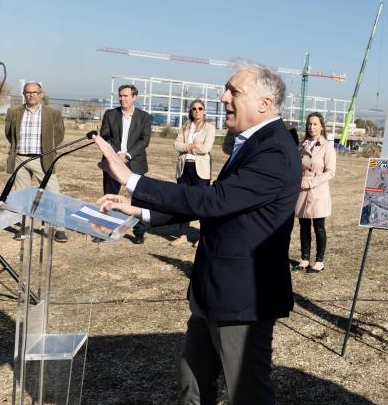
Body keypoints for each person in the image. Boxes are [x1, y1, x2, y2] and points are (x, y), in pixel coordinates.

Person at [95, 60, 301, 404]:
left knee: (247, 393)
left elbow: (214, 200)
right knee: (191, 384)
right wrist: (138, 208)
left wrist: (131, 179)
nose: (222, 97)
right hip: (215, 291)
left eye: (234, 91)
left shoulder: (275, 150)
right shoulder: (252, 142)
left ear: (264, 103)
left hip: (243, 299)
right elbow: (219, 204)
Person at [4, 81, 68, 242]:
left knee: (54, 193)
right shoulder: (14, 112)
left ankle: (59, 228)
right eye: (28, 92)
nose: (31, 95)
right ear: (24, 94)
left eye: (34, 92)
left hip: (43, 158)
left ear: (41, 94)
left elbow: (59, 135)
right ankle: (25, 227)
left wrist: (47, 148)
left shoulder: (52, 113)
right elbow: (9, 134)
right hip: (20, 159)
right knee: (22, 196)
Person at [99, 84, 152, 244]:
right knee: (110, 197)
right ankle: (106, 230)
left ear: (134, 97)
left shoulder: (144, 117)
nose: (122, 99)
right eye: (120, 96)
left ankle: (139, 232)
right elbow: (105, 136)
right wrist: (116, 156)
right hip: (112, 162)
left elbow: (145, 140)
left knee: (138, 199)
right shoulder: (110, 114)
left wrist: (127, 155)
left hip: (135, 162)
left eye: (126, 96)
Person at [169, 99, 216, 247]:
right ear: (191, 111)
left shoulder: (210, 128)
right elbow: (176, 145)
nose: (197, 111)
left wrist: (188, 147)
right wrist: (191, 145)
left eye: (200, 108)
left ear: (204, 111)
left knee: (201, 203)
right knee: (183, 203)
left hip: (200, 170)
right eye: (194, 108)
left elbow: (206, 148)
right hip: (184, 168)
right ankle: (182, 235)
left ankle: (202, 237)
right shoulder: (186, 126)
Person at [294, 112, 336, 273]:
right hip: (302, 191)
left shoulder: (327, 147)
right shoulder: (301, 145)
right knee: (303, 226)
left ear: (322, 127)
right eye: (309, 124)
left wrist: (311, 182)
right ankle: (304, 259)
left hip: (318, 191)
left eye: (315, 124)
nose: (311, 127)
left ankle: (319, 261)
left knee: (319, 226)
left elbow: (331, 172)